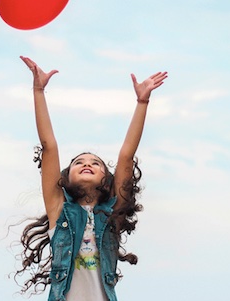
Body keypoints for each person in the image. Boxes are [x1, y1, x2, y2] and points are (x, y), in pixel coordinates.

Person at [14, 56, 167, 301]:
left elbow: (127, 155)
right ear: (66, 178)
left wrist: (142, 101)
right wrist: (38, 90)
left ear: (107, 180)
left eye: (96, 163)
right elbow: (49, 146)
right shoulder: (58, 210)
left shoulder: (112, 213)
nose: (87, 163)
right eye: (79, 163)